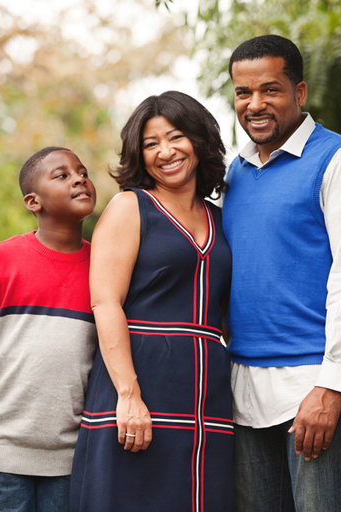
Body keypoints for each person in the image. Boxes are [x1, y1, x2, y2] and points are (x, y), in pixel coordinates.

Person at [223, 35, 341, 512]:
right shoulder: (235, 172)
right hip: (243, 387)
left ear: (300, 92)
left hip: (314, 385)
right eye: (242, 93)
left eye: (270, 90)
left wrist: (331, 386)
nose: (254, 104)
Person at [68, 91, 233, 512]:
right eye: (150, 143)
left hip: (206, 397)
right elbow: (105, 303)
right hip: (140, 387)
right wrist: (128, 394)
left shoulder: (221, 216)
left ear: (198, 139)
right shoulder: (130, 207)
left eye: (175, 137)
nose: (165, 152)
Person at [0, 147, 99, 512]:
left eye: (82, 171)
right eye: (61, 175)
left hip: (72, 461)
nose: (79, 178)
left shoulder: (105, 267)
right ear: (33, 201)